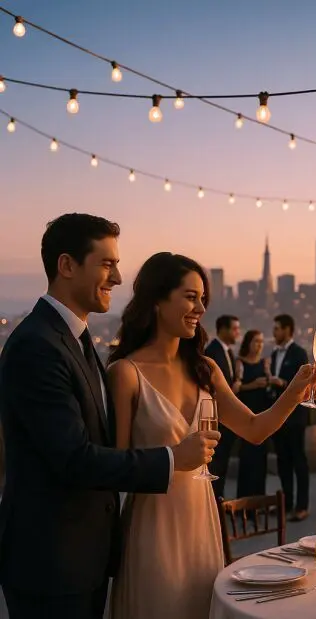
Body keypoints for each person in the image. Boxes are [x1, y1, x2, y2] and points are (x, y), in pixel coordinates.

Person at [0, 214, 218, 619]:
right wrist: (173, 459)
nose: (117, 278)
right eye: (107, 264)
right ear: (67, 266)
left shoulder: (74, 341)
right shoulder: (38, 346)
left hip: (84, 558)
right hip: (51, 563)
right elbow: (74, 459)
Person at [105, 252, 316, 618]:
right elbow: (113, 466)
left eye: (203, 299)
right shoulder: (125, 373)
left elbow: (254, 429)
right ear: (156, 300)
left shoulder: (206, 369)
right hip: (153, 527)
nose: (200, 307)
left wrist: (299, 392)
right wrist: (173, 457)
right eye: (190, 296)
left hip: (202, 519)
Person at [267, 314, 312, 521]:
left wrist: (282, 383)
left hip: (295, 417)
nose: (274, 332)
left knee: (298, 461)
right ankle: (287, 504)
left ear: (287, 329)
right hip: (278, 417)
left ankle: (302, 506)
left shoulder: (299, 353)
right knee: (283, 461)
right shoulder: (275, 354)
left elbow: (303, 386)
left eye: (276, 328)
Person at [204, 314, 241, 500]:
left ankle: (219, 499)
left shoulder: (228, 352)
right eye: (235, 328)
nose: (238, 333)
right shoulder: (213, 352)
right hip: (217, 419)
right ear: (224, 329)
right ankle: (214, 501)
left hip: (227, 421)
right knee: (216, 464)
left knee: (222, 463)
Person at [233, 329, 272, 498]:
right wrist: (254, 385)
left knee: (260, 459)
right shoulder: (240, 362)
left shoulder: (264, 363)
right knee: (247, 458)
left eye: (261, 342)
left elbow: (270, 383)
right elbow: (236, 388)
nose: (259, 345)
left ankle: (258, 500)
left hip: (262, 412)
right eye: (256, 341)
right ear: (248, 342)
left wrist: (269, 380)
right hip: (247, 413)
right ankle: (244, 501)